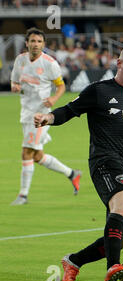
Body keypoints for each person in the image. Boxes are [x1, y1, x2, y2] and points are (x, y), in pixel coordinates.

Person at [34, 45, 123, 281]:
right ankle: (113, 266)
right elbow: (69, 110)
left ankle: (74, 261)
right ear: (119, 64)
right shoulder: (99, 91)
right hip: (105, 161)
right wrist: (49, 117)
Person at [10, 27, 81, 206]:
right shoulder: (20, 61)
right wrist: (15, 86)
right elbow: (14, 81)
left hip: (40, 115)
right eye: (32, 41)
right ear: (27, 43)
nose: (35, 44)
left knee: (26, 152)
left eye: (39, 41)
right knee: (37, 156)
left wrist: (53, 98)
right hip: (25, 112)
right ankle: (72, 174)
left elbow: (61, 86)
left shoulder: (49, 63)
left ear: (43, 44)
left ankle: (23, 196)